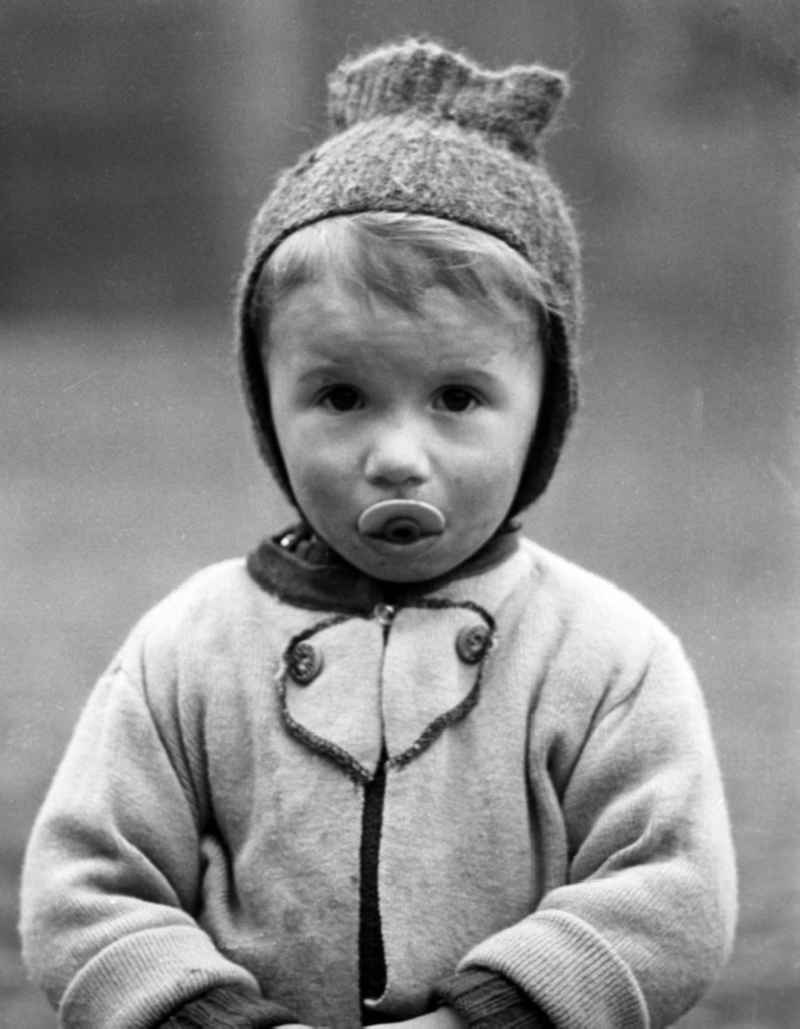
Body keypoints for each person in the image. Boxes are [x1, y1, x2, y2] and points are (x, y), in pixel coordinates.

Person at [20, 38, 737, 1029]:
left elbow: (669, 888)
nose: (397, 455)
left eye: (456, 396)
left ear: (545, 406)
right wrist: (204, 1014)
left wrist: (493, 1011)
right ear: (267, 405)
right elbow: (87, 889)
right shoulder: (186, 651)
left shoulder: (605, 657)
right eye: (341, 395)